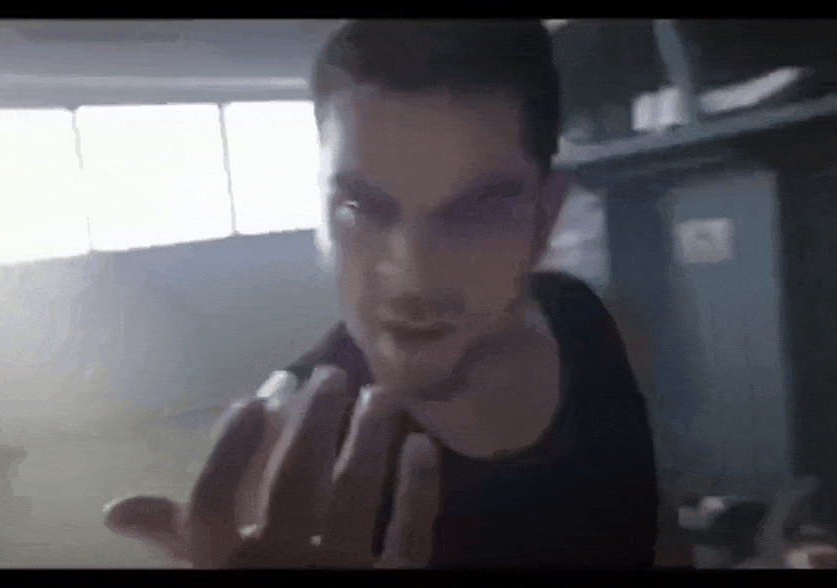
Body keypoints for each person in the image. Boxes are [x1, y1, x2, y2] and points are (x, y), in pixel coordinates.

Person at [103, 20, 658, 569]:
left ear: (545, 218)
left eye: (477, 213)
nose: (413, 278)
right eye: (360, 208)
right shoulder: (281, 464)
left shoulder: (582, 318)